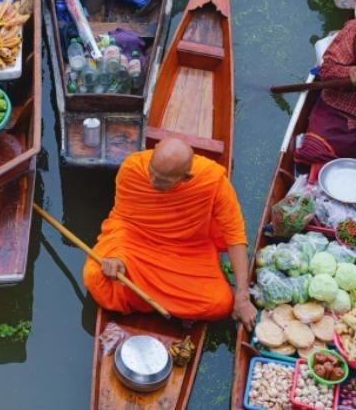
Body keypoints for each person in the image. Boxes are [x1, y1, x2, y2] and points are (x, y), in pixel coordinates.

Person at [83, 138, 257, 330]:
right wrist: (116, 256)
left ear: (186, 178)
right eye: (152, 172)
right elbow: (123, 220)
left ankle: (142, 300)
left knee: (220, 302)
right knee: (95, 276)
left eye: (162, 180)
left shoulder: (212, 182)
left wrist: (242, 294)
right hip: (137, 244)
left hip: (186, 252)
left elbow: (235, 236)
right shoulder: (132, 167)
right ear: (153, 151)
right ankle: (174, 308)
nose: (152, 181)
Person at [295, 20, 356, 164]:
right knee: (313, 152)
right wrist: (350, 73)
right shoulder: (353, 31)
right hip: (340, 110)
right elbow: (327, 71)